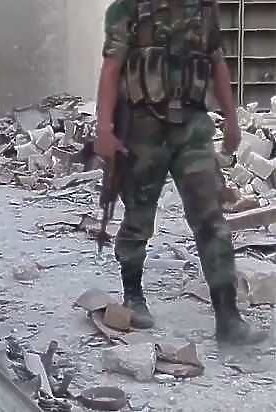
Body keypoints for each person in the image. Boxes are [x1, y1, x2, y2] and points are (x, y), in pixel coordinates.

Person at [95, 0, 267, 345]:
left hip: (192, 129)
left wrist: (232, 120)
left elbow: (217, 63)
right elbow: (112, 68)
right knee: (138, 217)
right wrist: (104, 129)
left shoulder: (203, 8)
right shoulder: (127, 9)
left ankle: (228, 318)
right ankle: (133, 295)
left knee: (211, 220)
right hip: (143, 128)